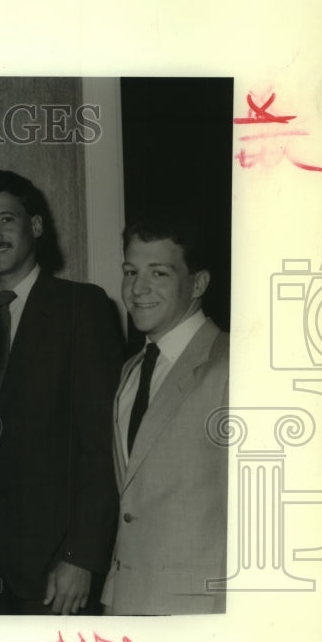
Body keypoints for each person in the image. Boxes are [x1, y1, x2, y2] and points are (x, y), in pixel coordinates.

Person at [0, 170, 123, 614]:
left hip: (55, 569)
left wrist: (83, 557)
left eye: (5, 220)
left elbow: (102, 445)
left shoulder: (83, 308)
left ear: (35, 226)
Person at [101, 214, 230, 615]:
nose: (138, 289)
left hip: (199, 613)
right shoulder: (131, 371)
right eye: (130, 271)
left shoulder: (234, 365)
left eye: (158, 273)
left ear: (199, 283)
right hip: (128, 605)